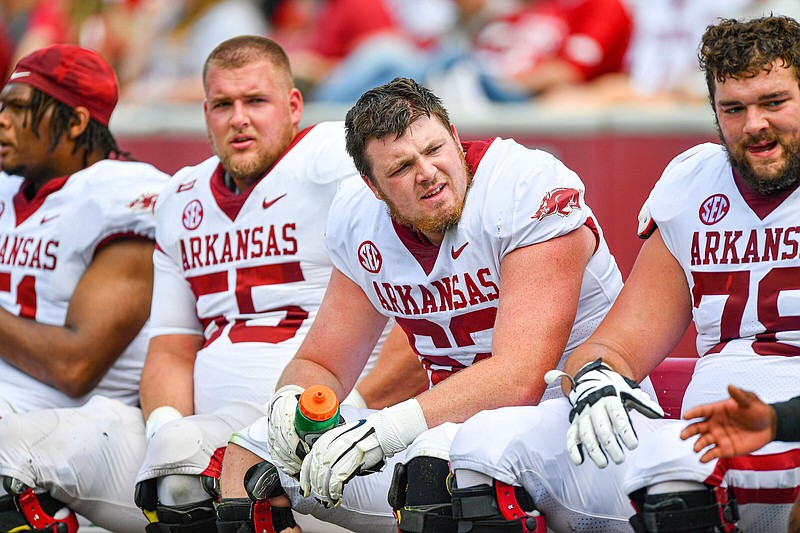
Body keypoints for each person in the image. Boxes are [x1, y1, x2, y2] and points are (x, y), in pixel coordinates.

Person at [0, 35, 416, 533]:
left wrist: (350, 415)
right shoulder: (182, 196)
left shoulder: (336, 163)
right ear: (205, 114)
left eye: (255, 101)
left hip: (330, 435)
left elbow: (419, 310)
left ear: (293, 106)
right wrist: (162, 431)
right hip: (205, 437)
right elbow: (172, 348)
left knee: (190, 462)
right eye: (223, 104)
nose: (238, 117)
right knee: (20, 450)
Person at [216, 75, 637, 533]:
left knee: (436, 469)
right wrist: (292, 399)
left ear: (455, 138)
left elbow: (520, 377)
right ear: (373, 187)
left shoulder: (521, 185)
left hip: (579, 425)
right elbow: (324, 362)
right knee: (250, 457)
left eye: (435, 150)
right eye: (400, 168)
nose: (427, 173)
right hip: (440, 427)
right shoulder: (359, 218)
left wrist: (388, 429)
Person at [448, 14, 800, 533]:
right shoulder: (692, 183)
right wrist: (596, 378)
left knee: (673, 473)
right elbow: (616, 344)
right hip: (699, 439)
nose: (754, 125)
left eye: (773, 102)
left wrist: (779, 421)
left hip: (775, 432)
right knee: (482, 447)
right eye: (734, 108)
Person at [0, 41, 168, 528]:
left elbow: (76, 364)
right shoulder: (11, 187)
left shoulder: (119, 194)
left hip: (74, 424)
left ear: (74, 122)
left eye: (17, 108)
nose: (2, 120)